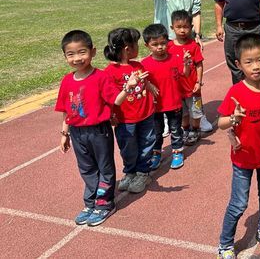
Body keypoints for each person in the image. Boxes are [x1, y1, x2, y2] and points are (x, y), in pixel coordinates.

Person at [55, 30, 144, 226]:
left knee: (104, 167)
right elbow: (66, 110)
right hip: (78, 133)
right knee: (86, 168)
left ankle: (105, 203)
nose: (77, 58)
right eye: (71, 54)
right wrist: (65, 134)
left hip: (99, 131)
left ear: (93, 52)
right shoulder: (67, 81)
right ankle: (91, 201)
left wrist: (128, 87)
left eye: (82, 52)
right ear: (65, 56)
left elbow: (116, 100)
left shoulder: (101, 77)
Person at [216, 34, 260, 259]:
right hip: (243, 158)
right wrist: (233, 119)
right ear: (238, 65)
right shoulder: (236, 92)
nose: (255, 67)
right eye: (248, 62)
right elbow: (221, 123)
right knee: (238, 204)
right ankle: (225, 244)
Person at [104, 28, 157, 194]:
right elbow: (110, 98)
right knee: (128, 147)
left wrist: (150, 86)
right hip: (125, 119)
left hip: (146, 114)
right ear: (128, 48)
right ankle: (130, 171)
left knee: (147, 143)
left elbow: (145, 79)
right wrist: (111, 115)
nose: (138, 47)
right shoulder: (110, 72)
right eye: (136, 44)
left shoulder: (138, 66)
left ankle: (143, 173)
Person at [141, 24, 190, 171]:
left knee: (175, 129)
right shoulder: (145, 64)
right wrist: (148, 84)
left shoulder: (175, 58)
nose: (160, 47)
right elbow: (142, 81)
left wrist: (186, 64)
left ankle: (177, 152)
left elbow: (185, 74)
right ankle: (156, 153)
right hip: (155, 106)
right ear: (147, 45)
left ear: (168, 42)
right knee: (156, 132)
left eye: (163, 43)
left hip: (174, 103)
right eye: (155, 44)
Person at [168, 10, 211, 143]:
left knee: (196, 112)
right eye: (178, 27)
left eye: (186, 27)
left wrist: (198, 81)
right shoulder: (169, 46)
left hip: (193, 89)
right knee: (183, 113)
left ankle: (195, 130)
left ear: (191, 27)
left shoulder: (193, 46)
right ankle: (185, 129)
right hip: (177, 90)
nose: (182, 30)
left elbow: (199, 65)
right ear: (172, 27)